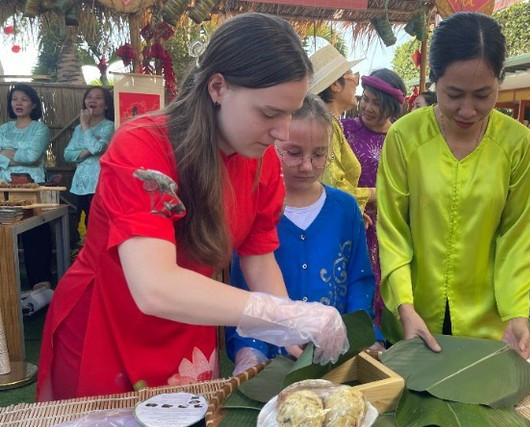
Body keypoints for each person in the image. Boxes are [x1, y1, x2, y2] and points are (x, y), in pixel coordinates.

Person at [37, 13, 349, 401]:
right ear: (218, 87)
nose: (282, 132)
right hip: (109, 320)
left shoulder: (263, 162)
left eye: (291, 112)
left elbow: (259, 258)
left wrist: (290, 329)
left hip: (193, 317)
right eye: (269, 113)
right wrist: (283, 314)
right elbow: (155, 287)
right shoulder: (142, 148)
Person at [377, 12, 530, 357]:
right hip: (414, 313)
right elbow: (393, 229)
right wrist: (404, 306)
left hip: (486, 323)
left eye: (482, 95)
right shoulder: (405, 136)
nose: (467, 110)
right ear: (434, 81)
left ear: (499, 81)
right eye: (453, 94)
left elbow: (515, 235)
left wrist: (516, 313)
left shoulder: (518, 144)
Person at [226, 94, 381, 375]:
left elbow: (359, 281)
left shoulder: (345, 208)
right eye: (293, 153)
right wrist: (248, 351)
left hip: (333, 355)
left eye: (319, 154)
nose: (307, 166)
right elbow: (244, 290)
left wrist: (361, 335)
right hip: (269, 360)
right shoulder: (254, 207)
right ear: (271, 145)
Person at [341, 68, 406, 326]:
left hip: (384, 227)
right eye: (365, 99)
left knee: (379, 285)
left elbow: (406, 188)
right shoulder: (343, 130)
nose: (367, 107)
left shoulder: (401, 138)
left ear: (391, 107)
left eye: (376, 103)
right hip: (348, 221)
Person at [0, 83, 53, 291]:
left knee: (34, 233)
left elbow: (33, 156)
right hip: (3, 188)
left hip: (32, 187)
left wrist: (6, 154)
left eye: (24, 99)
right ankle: (7, 286)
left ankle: (40, 283)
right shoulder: (3, 129)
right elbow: (28, 156)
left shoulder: (40, 129)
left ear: (33, 104)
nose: (18, 103)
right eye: (14, 99)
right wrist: (18, 157)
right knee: (4, 234)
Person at [309, 45, 371, 216]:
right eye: (353, 76)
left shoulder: (329, 123)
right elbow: (331, 183)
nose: (356, 83)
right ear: (335, 85)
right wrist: (373, 193)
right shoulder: (326, 125)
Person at [63, 86, 115, 227]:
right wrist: (86, 152)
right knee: (83, 226)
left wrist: (85, 125)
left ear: (106, 105)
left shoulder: (110, 126)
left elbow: (97, 148)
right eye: (89, 97)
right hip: (80, 185)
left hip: (100, 183)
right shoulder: (78, 129)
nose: (92, 100)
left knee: (99, 226)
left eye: (98, 98)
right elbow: (67, 155)